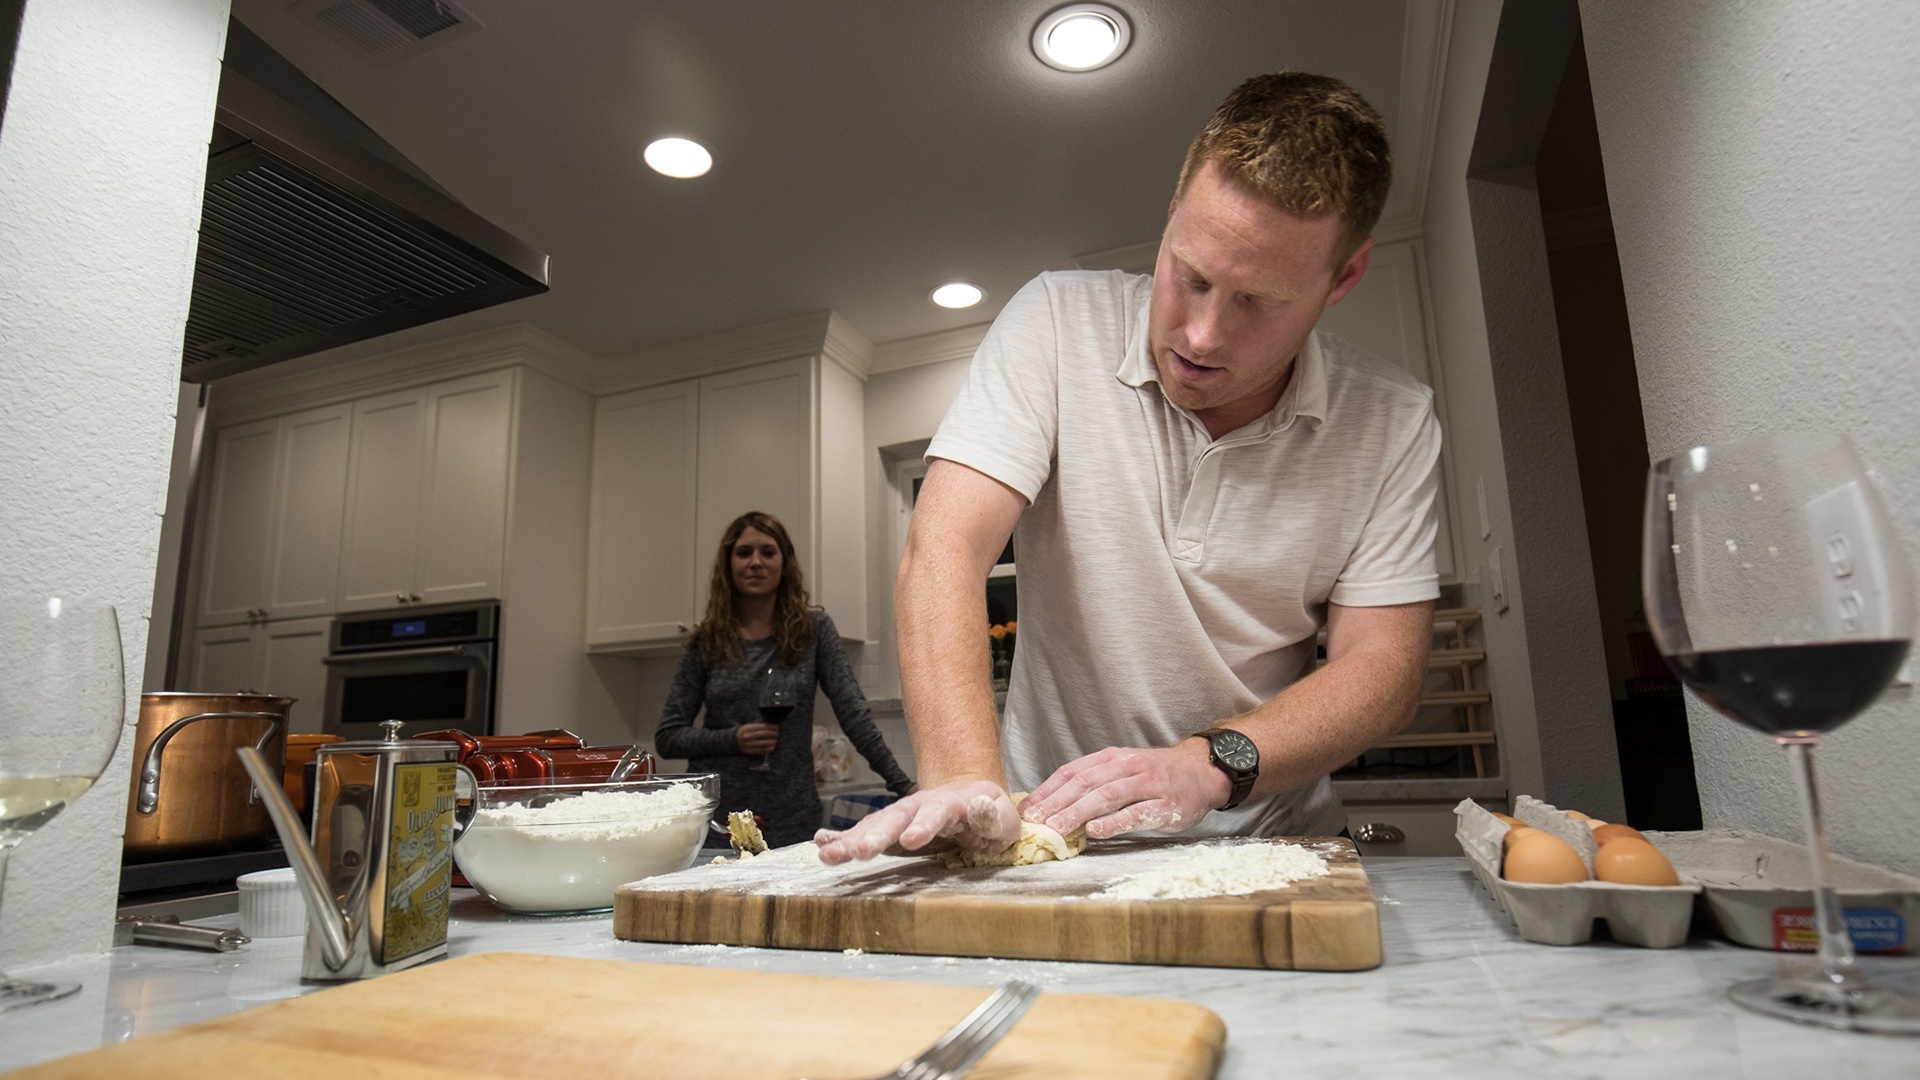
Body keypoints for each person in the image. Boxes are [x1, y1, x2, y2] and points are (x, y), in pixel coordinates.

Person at [816, 71, 1440, 865]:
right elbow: (945, 548)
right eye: (1192, 276)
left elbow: (1383, 668)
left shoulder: (1392, 420)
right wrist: (969, 784)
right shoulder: (1054, 320)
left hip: (1270, 844)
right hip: (1046, 840)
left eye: (1257, 302)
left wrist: (1210, 764)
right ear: (1173, 211)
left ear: (1342, 279)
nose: (1203, 335)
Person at [655, 510, 916, 848]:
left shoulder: (814, 631)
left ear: (785, 563)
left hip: (791, 816)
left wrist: (903, 785)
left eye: (767, 551)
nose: (756, 562)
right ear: (728, 564)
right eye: (744, 552)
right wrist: (733, 739)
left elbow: (854, 713)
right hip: (719, 821)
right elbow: (668, 736)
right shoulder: (707, 641)